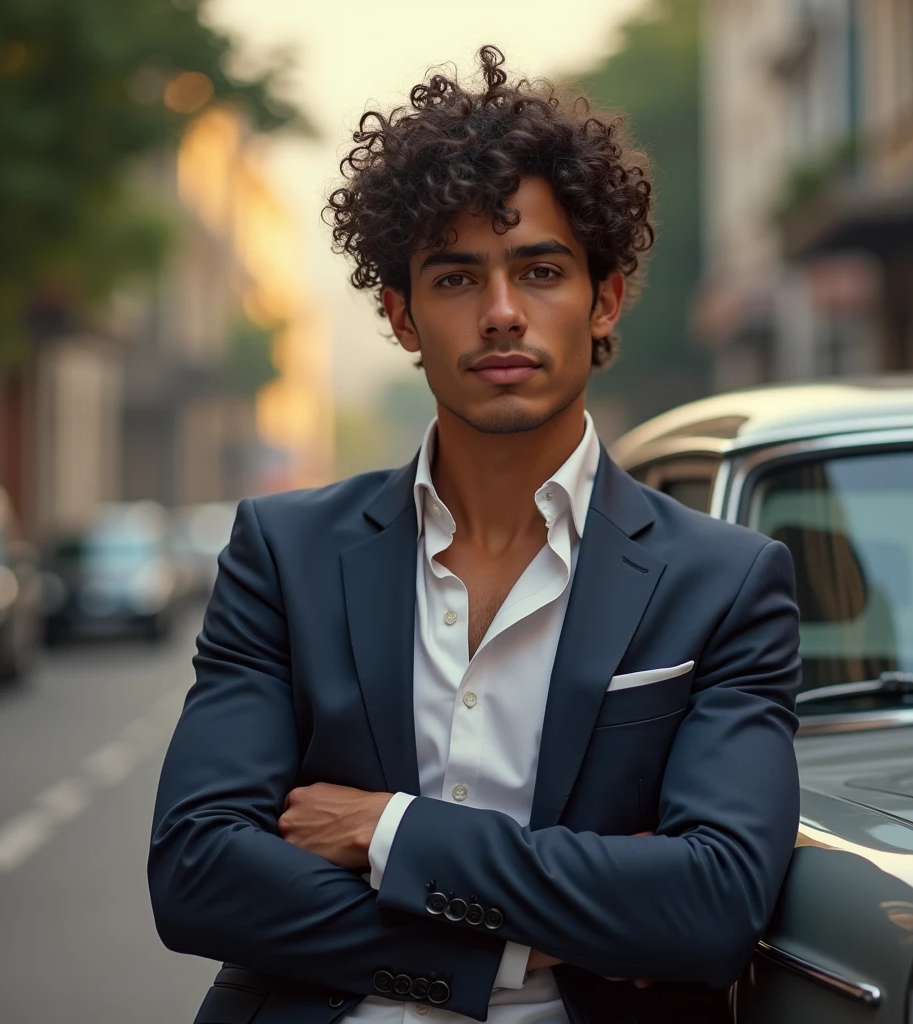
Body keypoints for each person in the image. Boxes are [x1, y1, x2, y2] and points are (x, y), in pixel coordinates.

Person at [149, 45, 801, 1024]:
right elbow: (198, 871)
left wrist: (390, 833)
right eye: (457, 278)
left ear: (604, 300)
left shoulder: (725, 582)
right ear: (403, 316)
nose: (501, 314)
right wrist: (523, 937)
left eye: (540, 270)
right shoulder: (283, 553)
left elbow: (709, 905)